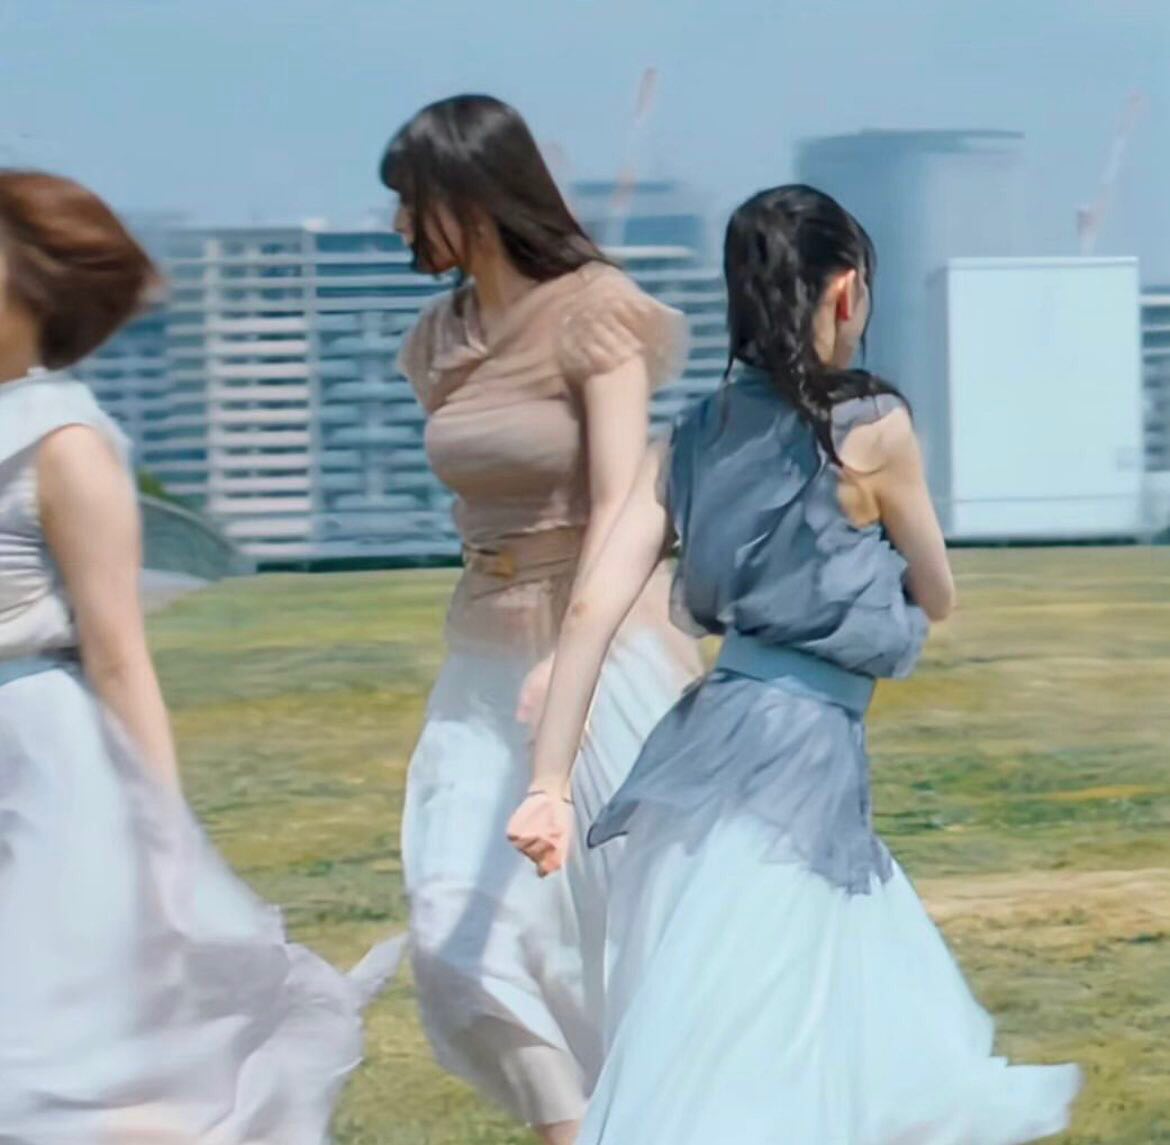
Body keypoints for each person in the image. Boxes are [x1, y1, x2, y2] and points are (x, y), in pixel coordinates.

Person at [508, 184, 1082, 1143]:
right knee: (784, 1043)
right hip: (797, 761)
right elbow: (937, 590)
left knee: (732, 1027)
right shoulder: (872, 428)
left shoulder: (690, 438)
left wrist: (549, 783)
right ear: (846, 290)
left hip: (701, 754)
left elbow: (592, 606)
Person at [0, 170, 390, 1143]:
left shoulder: (66, 440)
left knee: (51, 1067)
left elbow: (120, 655)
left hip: (39, 759)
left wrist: (162, 838)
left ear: (31, 282)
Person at [377, 95, 702, 1143]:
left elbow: (622, 504)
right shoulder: (438, 340)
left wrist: (571, 657)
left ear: (471, 197)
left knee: (627, 940)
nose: (397, 225)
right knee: (453, 929)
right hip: (481, 654)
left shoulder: (596, 311)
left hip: (602, 655)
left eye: (410, 202)